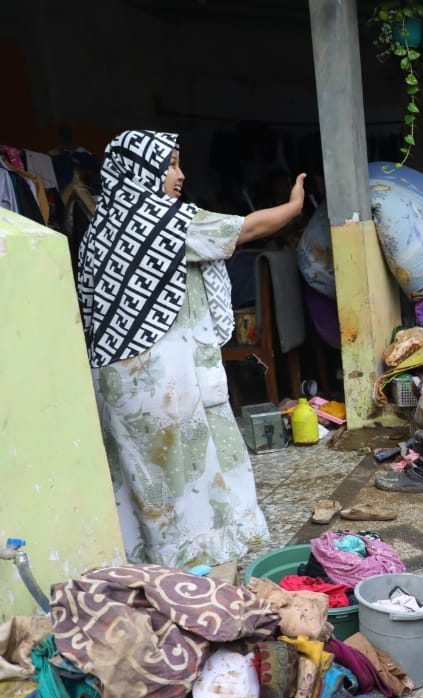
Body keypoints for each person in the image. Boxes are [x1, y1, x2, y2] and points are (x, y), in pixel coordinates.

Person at [76, 129, 304, 572]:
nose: (180, 175)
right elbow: (247, 228)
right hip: (163, 376)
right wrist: (294, 207)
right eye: (170, 164)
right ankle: (195, 572)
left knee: (143, 476)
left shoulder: (97, 230)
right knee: (190, 478)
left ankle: (156, 565)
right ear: (141, 169)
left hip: (115, 382)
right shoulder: (164, 219)